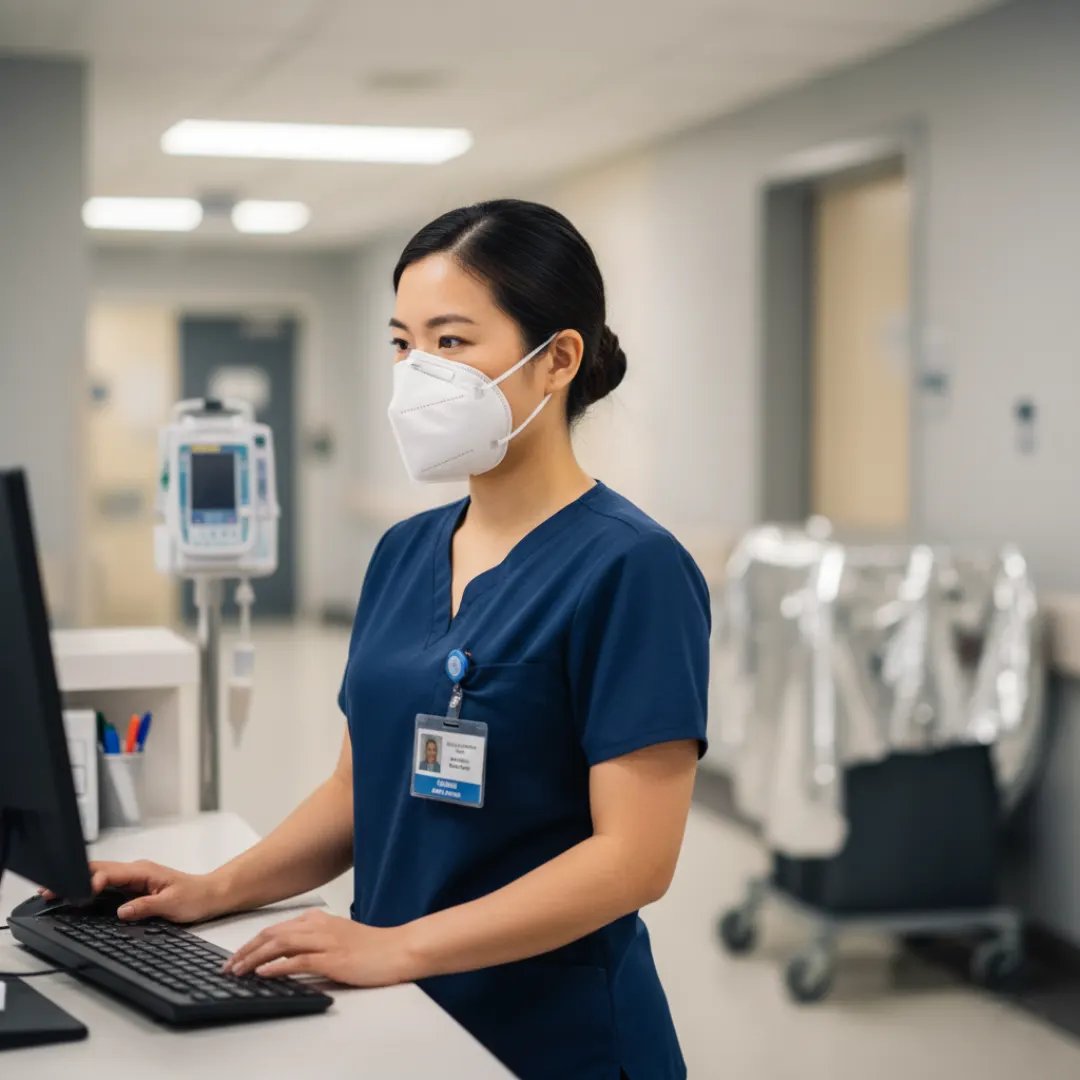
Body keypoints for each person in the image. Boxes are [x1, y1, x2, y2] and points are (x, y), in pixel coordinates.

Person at [54, 199, 710, 1080]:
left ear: (557, 359)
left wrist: (400, 947)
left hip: (550, 1032)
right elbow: (357, 791)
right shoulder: (404, 553)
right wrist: (213, 890)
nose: (416, 372)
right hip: (397, 1010)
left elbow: (632, 861)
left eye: (451, 342)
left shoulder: (633, 568)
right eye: (402, 342)